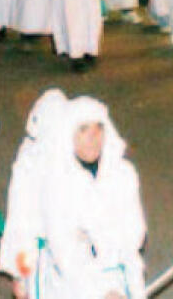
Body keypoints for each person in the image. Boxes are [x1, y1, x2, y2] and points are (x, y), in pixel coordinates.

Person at [41, 97, 146, 297]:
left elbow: (135, 229)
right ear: (69, 134)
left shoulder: (123, 173)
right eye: (83, 130)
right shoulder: (57, 182)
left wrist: (117, 283)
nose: (93, 137)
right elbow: (64, 249)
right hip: (74, 286)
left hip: (121, 278)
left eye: (99, 128)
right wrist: (101, 291)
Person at [0, 89, 68, 298]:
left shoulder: (75, 159)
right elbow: (19, 217)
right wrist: (18, 275)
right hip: (39, 257)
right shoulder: (28, 162)